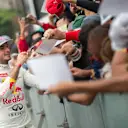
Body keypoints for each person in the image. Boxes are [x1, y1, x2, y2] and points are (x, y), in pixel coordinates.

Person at [0, 35, 40, 128]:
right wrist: (18, 65)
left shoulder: (18, 69)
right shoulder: (17, 68)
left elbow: (39, 82)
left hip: (28, 124)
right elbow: (3, 93)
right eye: (2, 48)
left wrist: (36, 59)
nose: (8, 50)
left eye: (7, 47)